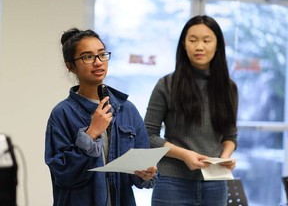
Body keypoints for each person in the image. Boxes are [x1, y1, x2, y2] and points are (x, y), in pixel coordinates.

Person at [45, 28, 158, 206]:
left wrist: (145, 174)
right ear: (70, 66)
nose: (98, 62)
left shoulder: (127, 110)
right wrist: (90, 134)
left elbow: (141, 174)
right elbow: (63, 173)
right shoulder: (62, 113)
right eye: (87, 57)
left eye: (102, 55)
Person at [144, 15, 238, 206]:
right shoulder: (166, 85)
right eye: (193, 40)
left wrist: (224, 158)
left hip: (215, 182)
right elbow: (148, 135)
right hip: (172, 182)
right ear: (184, 44)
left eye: (206, 40)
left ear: (217, 45)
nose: (199, 46)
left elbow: (231, 136)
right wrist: (185, 155)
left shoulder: (229, 88)